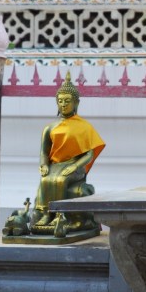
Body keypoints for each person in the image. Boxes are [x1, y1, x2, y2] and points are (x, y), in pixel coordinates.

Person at [31, 72, 105, 236]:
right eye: (60, 101)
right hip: (55, 164)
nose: (63, 104)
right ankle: (45, 214)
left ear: (76, 102)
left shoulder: (84, 126)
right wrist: (43, 165)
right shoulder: (50, 127)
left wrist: (74, 167)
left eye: (67, 101)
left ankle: (59, 214)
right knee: (46, 179)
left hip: (75, 166)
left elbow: (88, 155)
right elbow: (44, 152)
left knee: (60, 180)